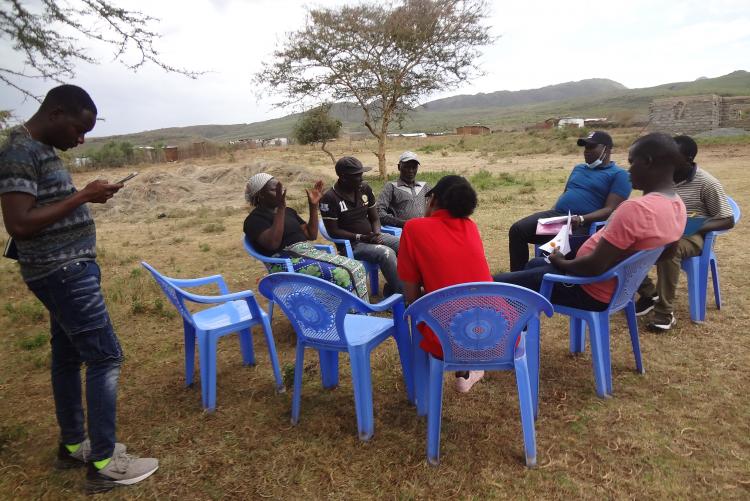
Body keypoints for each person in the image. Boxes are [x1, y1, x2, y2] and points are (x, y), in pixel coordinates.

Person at [0, 85, 158, 494]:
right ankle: (104, 462)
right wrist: (83, 195)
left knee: (67, 356)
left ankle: (74, 444)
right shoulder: (20, 151)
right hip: (62, 272)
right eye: (78, 128)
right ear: (55, 114)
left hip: (62, 270)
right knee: (105, 356)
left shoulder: (41, 150)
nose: (81, 139)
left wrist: (86, 198)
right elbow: (19, 223)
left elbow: (44, 209)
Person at [493, 133, 687, 311]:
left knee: (494, 284)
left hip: (587, 288)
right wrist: (625, 265)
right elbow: (667, 253)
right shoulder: (677, 205)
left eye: (632, 162)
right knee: (534, 263)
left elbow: (593, 267)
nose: (629, 170)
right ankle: (523, 327)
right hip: (605, 282)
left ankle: (513, 332)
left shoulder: (636, 208)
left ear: (647, 162)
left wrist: (562, 261)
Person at [397, 175, 491, 392]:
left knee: (434, 308)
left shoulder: (413, 228)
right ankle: (467, 371)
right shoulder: (471, 226)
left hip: (445, 340)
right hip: (493, 334)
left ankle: (426, 386)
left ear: (433, 200)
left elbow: (411, 297)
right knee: (464, 301)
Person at [635, 135, 735, 331]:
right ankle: (649, 293)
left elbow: (727, 219)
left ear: (688, 159)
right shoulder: (659, 178)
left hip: (692, 236)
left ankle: (664, 313)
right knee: (625, 241)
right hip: (662, 229)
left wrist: (694, 226)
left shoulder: (707, 183)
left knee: (670, 249)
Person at [507, 130, 631, 271]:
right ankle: (517, 277)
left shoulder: (619, 175)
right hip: (557, 219)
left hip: (582, 226)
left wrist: (581, 219)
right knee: (517, 230)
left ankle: (538, 280)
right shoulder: (578, 168)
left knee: (548, 257)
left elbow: (608, 210)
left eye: (591, 147)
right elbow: (566, 193)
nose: (586, 151)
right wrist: (554, 212)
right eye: (585, 147)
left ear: (607, 149)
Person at [243, 173, 369, 301]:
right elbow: (273, 244)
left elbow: (311, 234)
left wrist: (313, 206)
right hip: (284, 263)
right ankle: (346, 315)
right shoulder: (254, 220)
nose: (279, 192)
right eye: (274, 189)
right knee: (341, 274)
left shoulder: (289, 212)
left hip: (307, 254)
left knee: (356, 267)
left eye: (280, 188)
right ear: (260, 195)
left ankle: (359, 314)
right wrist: (281, 209)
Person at [320, 156, 402, 295]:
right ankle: (403, 296)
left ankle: (396, 287)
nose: (361, 179)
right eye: (357, 176)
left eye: (361, 174)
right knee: (385, 253)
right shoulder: (329, 198)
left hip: (372, 237)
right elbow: (333, 231)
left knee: (406, 244)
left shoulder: (364, 189)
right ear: (344, 177)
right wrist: (361, 237)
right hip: (352, 245)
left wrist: (376, 234)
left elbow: (375, 218)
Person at [376, 151, 431, 228]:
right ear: (399, 167)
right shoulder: (391, 187)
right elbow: (379, 212)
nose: (411, 171)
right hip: (403, 231)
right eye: (407, 167)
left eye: (414, 167)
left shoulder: (424, 186)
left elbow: (437, 206)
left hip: (425, 228)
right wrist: (403, 223)